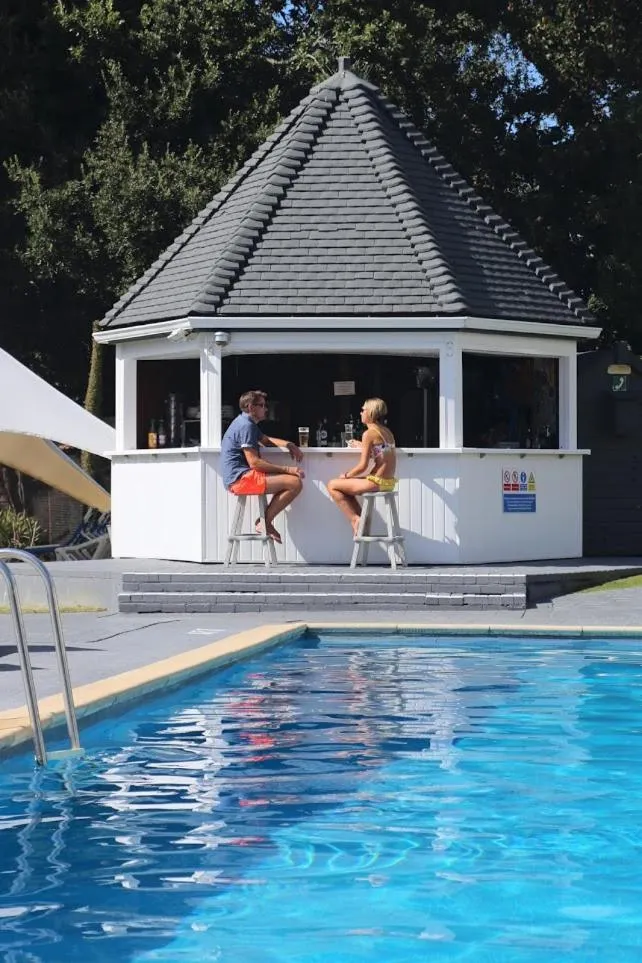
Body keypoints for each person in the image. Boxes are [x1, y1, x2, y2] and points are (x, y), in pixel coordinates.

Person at [221, 390, 304, 543]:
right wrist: (288, 469)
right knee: (294, 482)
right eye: (262, 405)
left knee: (292, 481)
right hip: (240, 479)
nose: (266, 409)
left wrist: (289, 444)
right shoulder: (246, 426)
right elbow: (255, 463)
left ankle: (264, 521)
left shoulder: (245, 422)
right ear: (251, 407)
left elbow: (266, 440)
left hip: (240, 476)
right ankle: (264, 522)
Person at [327, 397, 397, 536]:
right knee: (346, 488)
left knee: (332, 484)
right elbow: (382, 454)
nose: (361, 413)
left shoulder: (369, 434)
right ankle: (361, 520)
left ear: (371, 412)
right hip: (388, 482)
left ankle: (355, 519)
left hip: (376, 482)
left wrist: (346, 475)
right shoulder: (387, 432)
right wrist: (363, 446)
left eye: (363, 410)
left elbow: (362, 466)